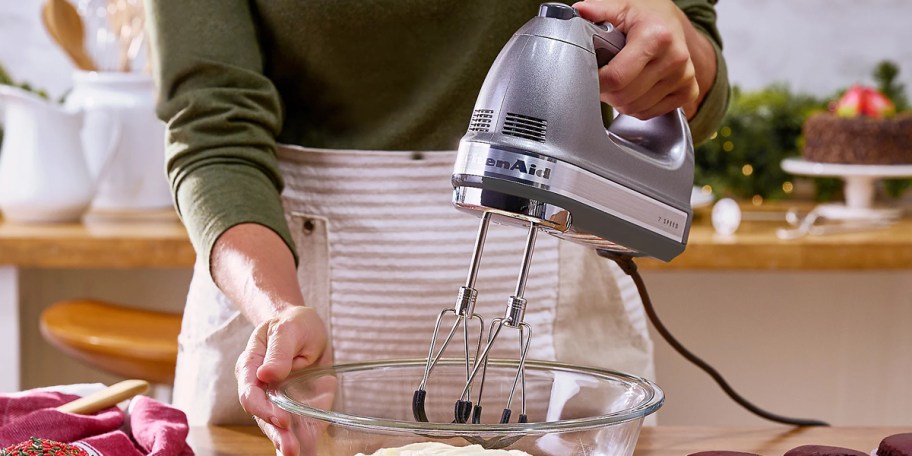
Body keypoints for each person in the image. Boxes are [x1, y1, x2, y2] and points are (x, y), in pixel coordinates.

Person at [147, 0, 729, 454]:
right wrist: (275, 308)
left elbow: (697, 69)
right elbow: (213, 127)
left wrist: (674, 46)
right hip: (281, 281)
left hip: (568, 331)